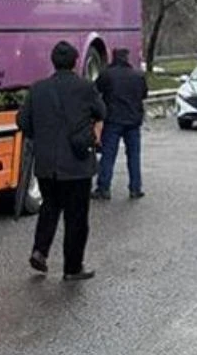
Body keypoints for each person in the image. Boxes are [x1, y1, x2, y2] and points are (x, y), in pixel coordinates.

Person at [17, 41, 106, 281]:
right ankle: (72, 268)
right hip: (76, 165)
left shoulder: (37, 89)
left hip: (46, 165)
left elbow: (23, 123)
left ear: (53, 62)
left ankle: (40, 251)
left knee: (49, 207)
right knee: (76, 217)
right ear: (77, 62)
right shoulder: (86, 87)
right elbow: (101, 112)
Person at [93, 48, 148, 200]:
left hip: (113, 120)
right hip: (133, 121)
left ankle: (103, 188)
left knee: (108, 155)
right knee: (134, 156)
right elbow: (144, 94)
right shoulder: (138, 75)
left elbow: (95, 91)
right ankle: (135, 188)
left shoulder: (107, 74)